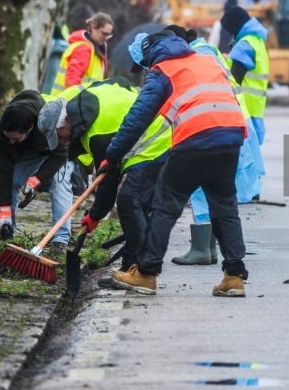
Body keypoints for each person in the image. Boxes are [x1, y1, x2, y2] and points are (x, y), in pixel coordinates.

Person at [106, 29, 250, 298]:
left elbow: (137, 118)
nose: (147, 68)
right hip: (230, 134)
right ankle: (234, 276)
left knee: (165, 206)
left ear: (150, 53)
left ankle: (146, 274)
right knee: (224, 205)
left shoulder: (163, 70)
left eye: (145, 63)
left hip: (195, 138)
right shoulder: (206, 61)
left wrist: (112, 156)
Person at [161, 27, 264, 266]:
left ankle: (203, 249)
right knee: (215, 190)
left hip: (215, 124)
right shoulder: (207, 50)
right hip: (229, 121)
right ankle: (209, 248)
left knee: (203, 188)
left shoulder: (200, 55)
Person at [59, 78, 170, 288]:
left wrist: (94, 216)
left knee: (129, 201)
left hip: (154, 142)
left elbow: (109, 183)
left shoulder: (97, 133)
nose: (60, 140)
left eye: (58, 134)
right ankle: (130, 268)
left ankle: (143, 272)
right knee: (137, 206)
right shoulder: (86, 110)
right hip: (153, 139)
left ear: (66, 123)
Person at [0, 91, 74, 246]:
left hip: (59, 151)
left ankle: (61, 238)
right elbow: (3, 169)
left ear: (30, 128)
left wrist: (36, 179)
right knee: (11, 180)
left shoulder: (48, 121)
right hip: (31, 151)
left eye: (16, 138)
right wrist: (4, 209)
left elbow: (60, 155)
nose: (11, 142)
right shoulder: (7, 123)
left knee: (59, 183)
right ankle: (6, 230)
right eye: (8, 137)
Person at [221, 6, 270, 148]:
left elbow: (234, 79)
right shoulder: (256, 41)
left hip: (243, 111)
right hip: (255, 109)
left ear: (235, 26)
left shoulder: (244, 45)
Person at [51, 12, 115, 96]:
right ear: (93, 27)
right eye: (104, 34)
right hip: (69, 100)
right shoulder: (84, 49)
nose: (106, 38)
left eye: (109, 35)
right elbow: (72, 81)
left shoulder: (95, 50)